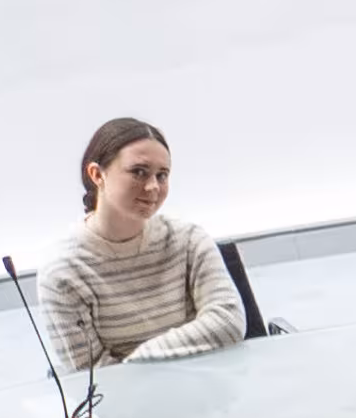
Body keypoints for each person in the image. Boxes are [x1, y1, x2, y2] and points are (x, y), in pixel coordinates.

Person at [35, 118, 249, 372]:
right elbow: (93, 375)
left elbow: (228, 319)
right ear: (97, 174)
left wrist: (139, 361)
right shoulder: (62, 272)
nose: (153, 187)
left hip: (211, 393)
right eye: (138, 172)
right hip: (125, 407)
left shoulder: (189, 239)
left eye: (162, 175)